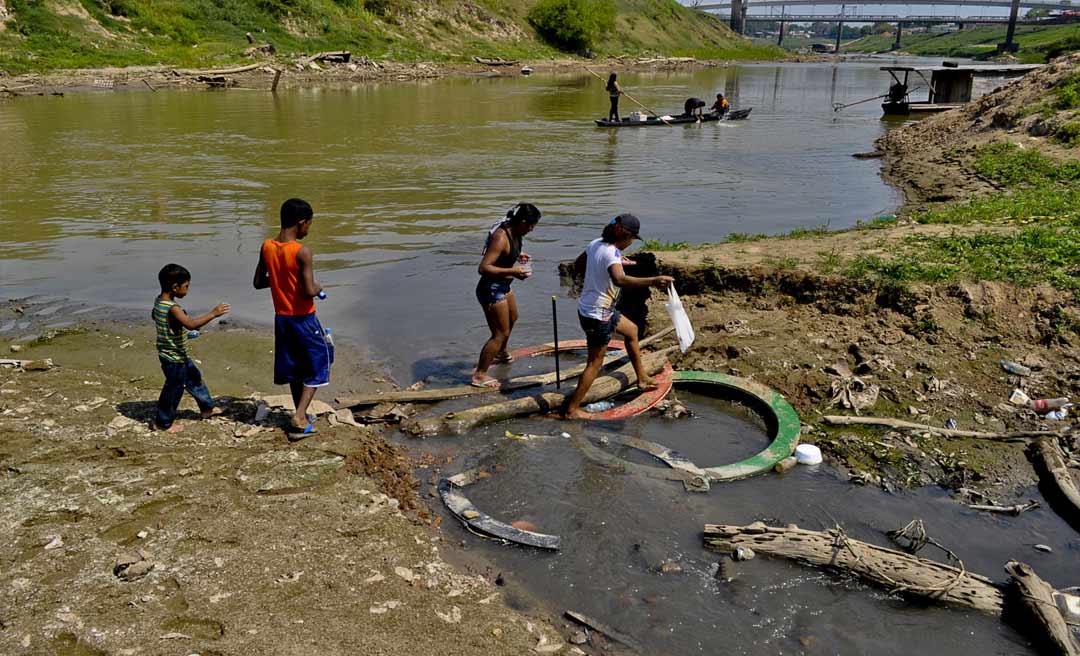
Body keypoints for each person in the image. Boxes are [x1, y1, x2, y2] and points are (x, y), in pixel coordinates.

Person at [562, 214, 674, 419]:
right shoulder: (611, 252)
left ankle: (641, 377)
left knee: (631, 331)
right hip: (598, 315)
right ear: (625, 236)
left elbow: (578, 265)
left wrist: (608, 265)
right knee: (594, 363)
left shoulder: (596, 244)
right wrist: (653, 280)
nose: (631, 244)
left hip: (593, 307)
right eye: (632, 239)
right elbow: (620, 280)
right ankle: (572, 410)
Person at [253, 198, 333, 439]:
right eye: (309, 224)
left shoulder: (267, 246)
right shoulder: (302, 252)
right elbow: (308, 291)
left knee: (295, 367)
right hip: (303, 318)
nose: (308, 229)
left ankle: (302, 412)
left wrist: (281, 281)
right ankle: (299, 416)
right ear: (301, 222)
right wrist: (318, 287)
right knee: (320, 362)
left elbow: (259, 282)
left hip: (282, 318)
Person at [153, 263, 229, 433]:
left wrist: (173, 329)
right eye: (186, 286)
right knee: (173, 389)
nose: (187, 290)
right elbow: (191, 325)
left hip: (174, 354)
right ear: (175, 287)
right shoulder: (173, 308)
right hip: (174, 357)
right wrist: (213, 313)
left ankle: (207, 408)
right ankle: (163, 422)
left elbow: (155, 316)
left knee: (194, 378)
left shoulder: (159, 302)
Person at [472, 203, 541, 389]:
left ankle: (501, 353)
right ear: (522, 222)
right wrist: (513, 271)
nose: (532, 229)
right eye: (531, 225)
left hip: (504, 285)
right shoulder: (501, 237)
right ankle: (479, 375)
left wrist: (518, 254)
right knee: (499, 333)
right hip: (491, 289)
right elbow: (483, 267)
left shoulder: (515, 231)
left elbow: (505, 252)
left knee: (513, 317)